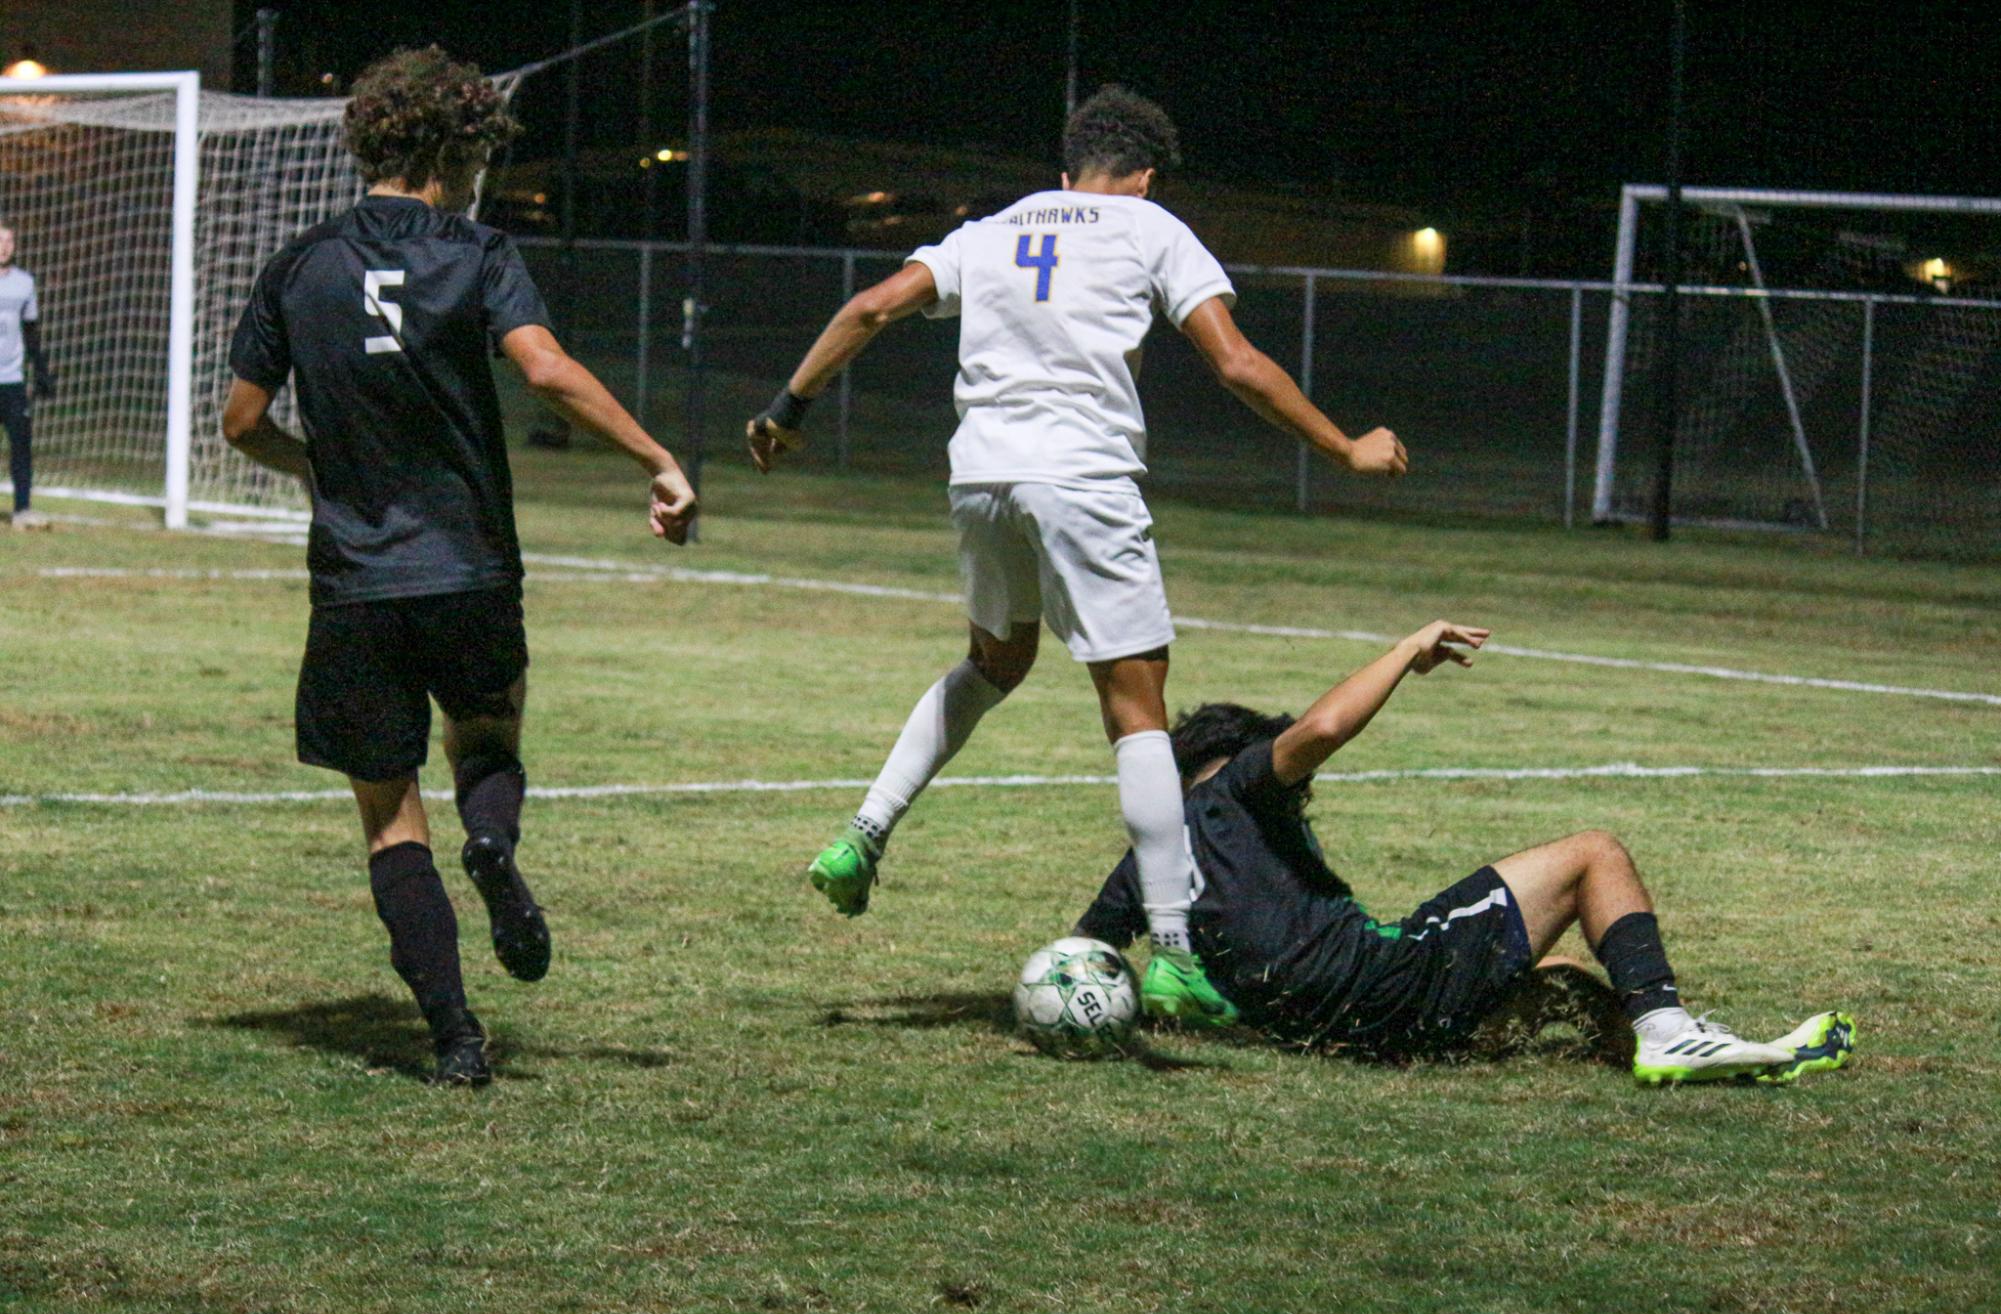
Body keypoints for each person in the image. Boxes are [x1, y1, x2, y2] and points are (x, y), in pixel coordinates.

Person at [745, 86, 1406, 1025]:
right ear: (1143, 175)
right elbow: (1237, 364)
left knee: (995, 661)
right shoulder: (1149, 228)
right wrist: (1344, 447)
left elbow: (868, 308)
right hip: (1081, 479)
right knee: (1136, 708)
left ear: (1067, 171)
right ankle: (1174, 953)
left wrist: (787, 408)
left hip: (979, 476)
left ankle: (864, 832)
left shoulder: (987, 230)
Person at [221, 47, 698, 1086]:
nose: (482, 175)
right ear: (448, 150)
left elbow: (242, 420)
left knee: (390, 815)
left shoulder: (299, 264)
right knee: (485, 738)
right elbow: (543, 368)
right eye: (477, 154)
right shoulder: (479, 252)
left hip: (355, 581)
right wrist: (657, 457)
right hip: (470, 564)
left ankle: (456, 1038)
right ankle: (493, 844)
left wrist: (319, 468)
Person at [1073, 620, 1857, 1085]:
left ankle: (1705, 1055)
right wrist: (1406, 649)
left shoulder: (1144, 857)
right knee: (1594, 852)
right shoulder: (1231, 789)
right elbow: (1317, 732)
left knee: (1563, 983)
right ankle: (1666, 1029)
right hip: (1389, 985)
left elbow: (1080, 955)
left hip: (1348, 1037)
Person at [0, 221, 56, 529]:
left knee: (21, 446)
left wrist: (42, 372)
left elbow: (31, 333)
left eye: (9, 240)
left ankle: (22, 509)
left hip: (12, 381)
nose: (4, 246)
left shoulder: (24, 283)